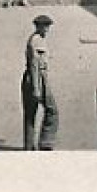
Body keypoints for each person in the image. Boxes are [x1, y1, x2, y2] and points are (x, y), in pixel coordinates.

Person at [21, 14, 59, 150]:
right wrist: (36, 88)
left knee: (30, 115)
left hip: (30, 78)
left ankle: (29, 147)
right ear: (39, 27)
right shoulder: (37, 41)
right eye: (46, 26)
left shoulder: (35, 39)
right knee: (52, 110)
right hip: (37, 78)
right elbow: (34, 64)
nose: (48, 29)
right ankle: (46, 143)